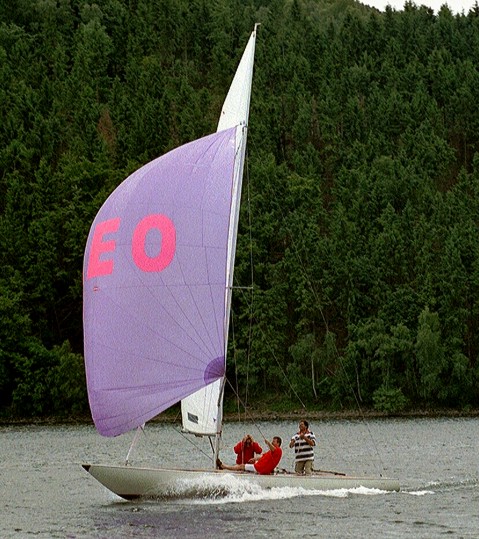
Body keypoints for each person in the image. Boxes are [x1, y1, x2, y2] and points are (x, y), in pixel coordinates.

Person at [217, 437, 282, 475]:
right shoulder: (271, 451)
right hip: (259, 465)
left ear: (278, 443)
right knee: (242, 466)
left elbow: (272, 449)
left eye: (274, 442)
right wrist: (254, 459)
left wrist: (268, 443)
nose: (272, 442)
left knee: (241, 466)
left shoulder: (278, 450)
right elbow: (262, 456)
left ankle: (223, 466)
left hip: (260, 468)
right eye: (272, 441)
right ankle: (226, 467)